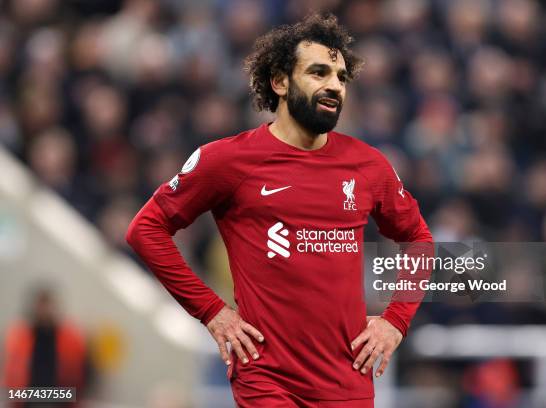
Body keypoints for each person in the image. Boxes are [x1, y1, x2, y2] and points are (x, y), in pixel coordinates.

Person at [126, 13, 432, 407]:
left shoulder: (369, 166)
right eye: (319, 72)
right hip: (267, 378)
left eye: (341, 77)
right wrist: (212, 311)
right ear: (280, 81)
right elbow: (146, 230)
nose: (334, 86)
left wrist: (395, 321)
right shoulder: (227, 160)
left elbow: (419, 239)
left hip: (347, 381)